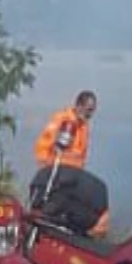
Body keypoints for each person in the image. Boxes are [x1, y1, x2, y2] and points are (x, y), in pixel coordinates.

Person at [30, 90, 109, 237]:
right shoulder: (63, 120)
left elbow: (81, 156)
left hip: (73, 181)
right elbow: (42, 147)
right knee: (48, 215)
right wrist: (46, 173)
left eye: (92, 111)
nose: (90, 115)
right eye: (88, 110)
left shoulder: (84, 127)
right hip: (56, 179)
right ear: (78, 106)